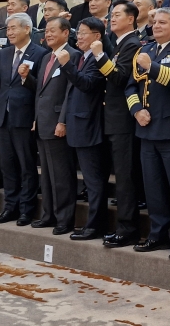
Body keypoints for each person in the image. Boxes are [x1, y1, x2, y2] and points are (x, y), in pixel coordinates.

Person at [124, 8, 170, 260]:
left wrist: (151, 67)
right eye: (154, 22)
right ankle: (157, 234)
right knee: (153, 188)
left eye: (163, 23)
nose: (156, 26)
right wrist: (136, 110)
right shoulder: (146, 50)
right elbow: (130, 86)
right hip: (146, 129)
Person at [0, 13, 48, 226]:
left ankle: (26, 210)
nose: (10, 32)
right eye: (8, 29)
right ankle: (10, 207)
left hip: (25, 117)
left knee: (26, 166)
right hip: (3, 117)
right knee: (7, 166)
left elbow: (41, 89)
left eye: (14, 28)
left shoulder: (40, 53)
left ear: (27, 29)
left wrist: (26, 78)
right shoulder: (3, 53)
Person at [93, 0, 144, 248]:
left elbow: (120, 78)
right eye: (112, 15)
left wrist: (99, 56)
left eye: (117, 14)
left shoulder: (132, 43)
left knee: (125, 178)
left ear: (131, 19)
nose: (112, 18)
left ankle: (128, 229)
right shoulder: (120, 44)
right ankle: (121, 226)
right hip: (112, 118)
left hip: (123, 120)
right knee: (121, 176)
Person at [60, 17, 108, 240]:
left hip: (90, 126)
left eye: (83, 33)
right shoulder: (82, 57)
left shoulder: (97, 59)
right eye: (78, 33)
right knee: (89, 180)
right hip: (77, 124)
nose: (78, 37)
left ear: (97, 36)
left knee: (94, 181)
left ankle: (95, 226)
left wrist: (67, 65)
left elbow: (87, 84)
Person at [31, 17, 79, 235]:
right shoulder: (46, 57)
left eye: (53, 30)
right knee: (47, 175)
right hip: (43, 122)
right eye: (46, 31)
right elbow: (40, 92)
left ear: (66, 32)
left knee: (61, 175)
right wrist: (36, 118)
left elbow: (70, 92)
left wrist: (63, 120)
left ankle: (64, 219)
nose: (48, 34)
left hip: (58, 123)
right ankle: (48, 215)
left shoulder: (72, 55)